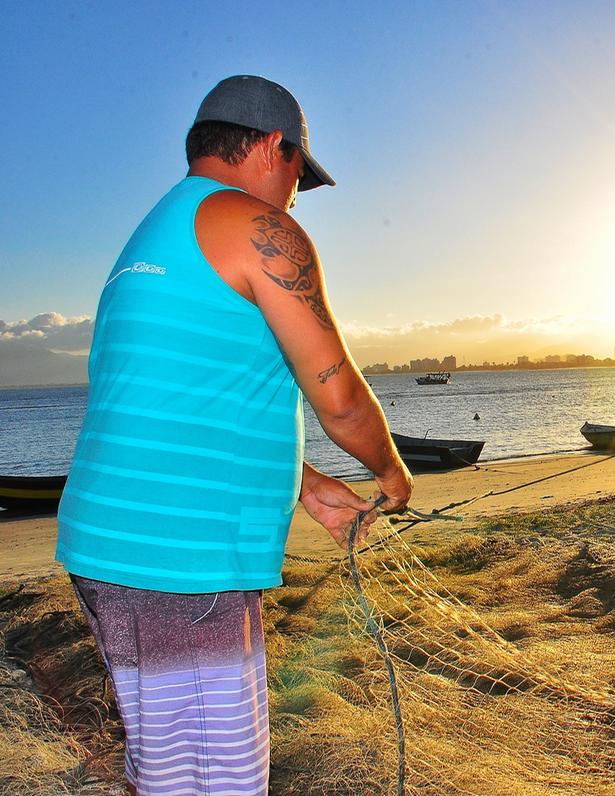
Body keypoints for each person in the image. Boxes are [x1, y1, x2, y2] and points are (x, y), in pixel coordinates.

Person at [55, 75, 414, 795]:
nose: (292, 196)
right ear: (274, 148)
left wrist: (303, 484)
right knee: (219, 780)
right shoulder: (259, 229)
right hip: (179, 563)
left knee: (163, 765)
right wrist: (394, 477)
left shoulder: (147, 239)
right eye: (297, 177)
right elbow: (339, 396)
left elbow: (182, 403)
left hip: (110, 549)